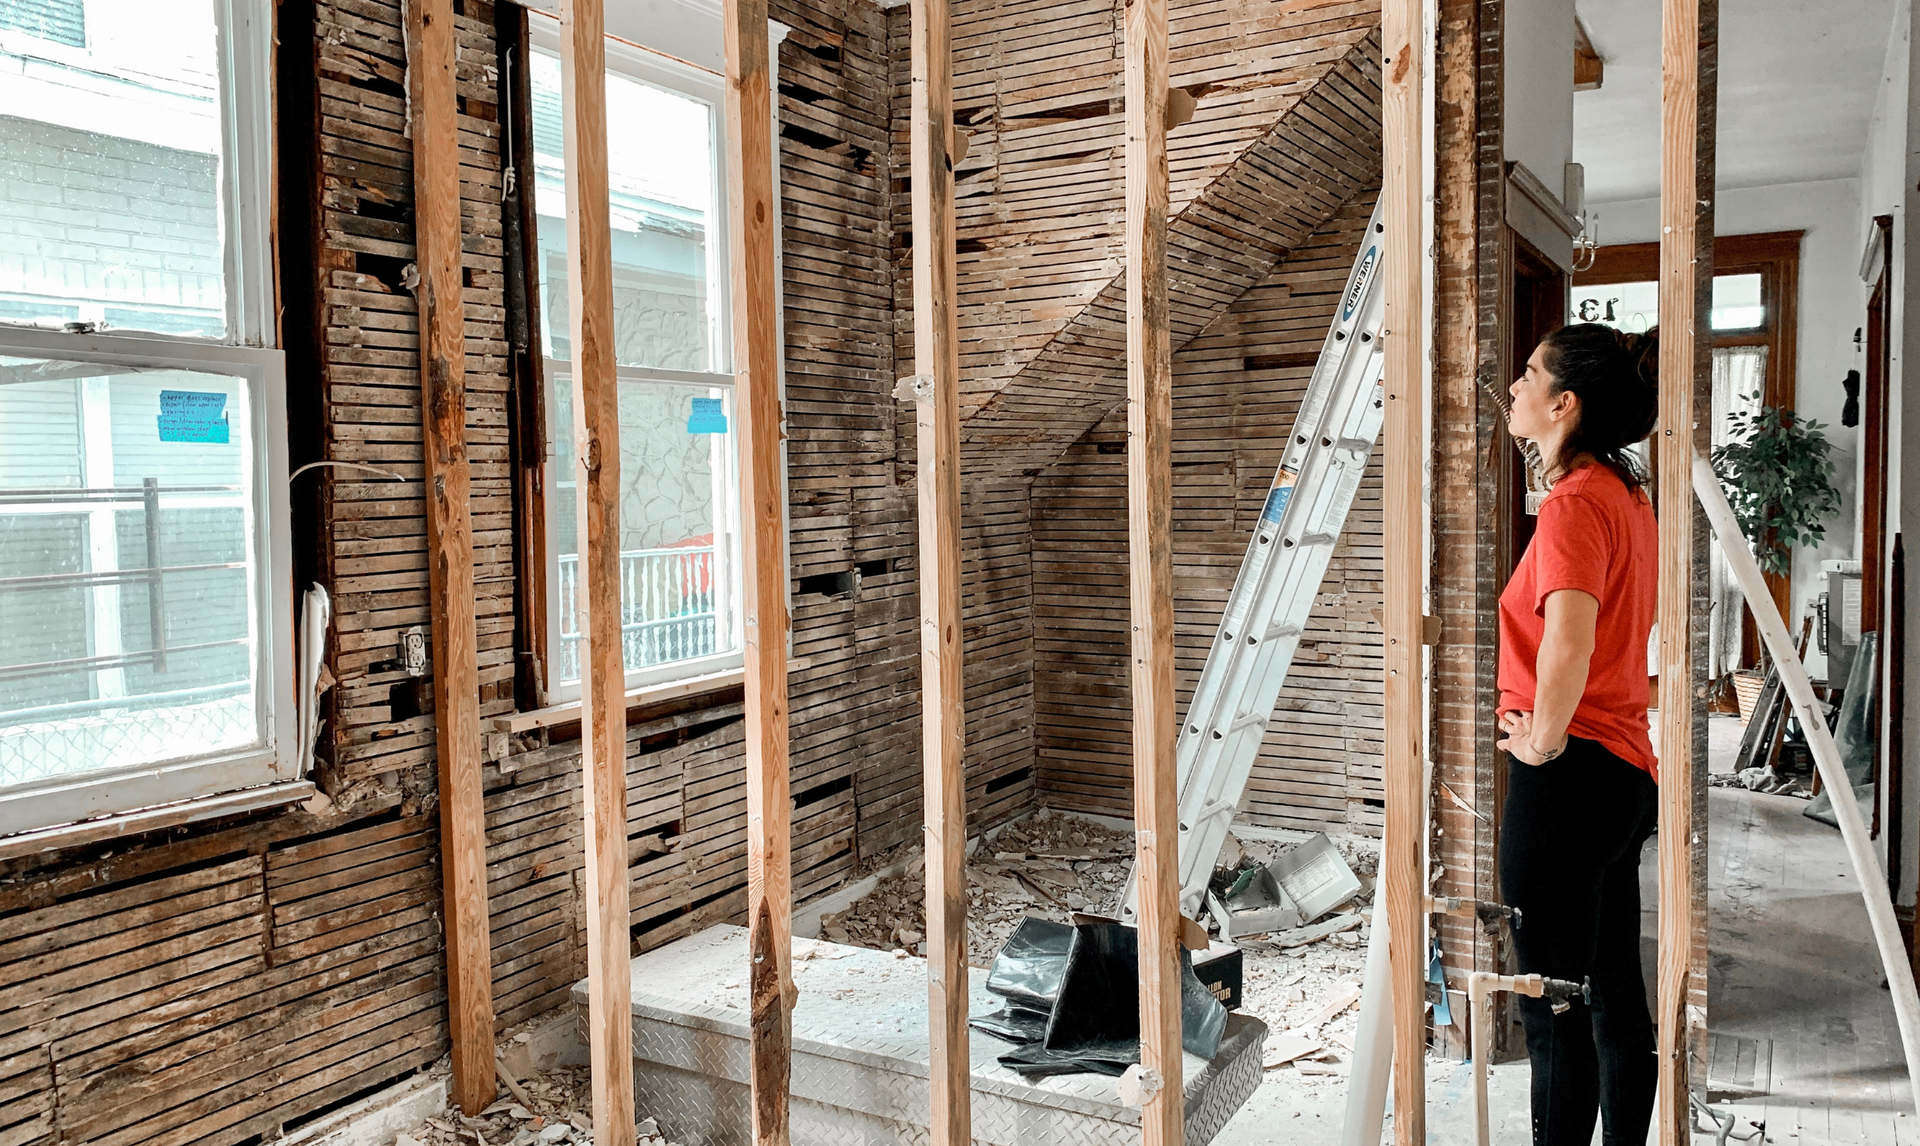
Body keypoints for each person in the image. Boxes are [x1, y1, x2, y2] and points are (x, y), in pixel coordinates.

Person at [1495, 323, 1662, 1146]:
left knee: (1551, 1008)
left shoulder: (1574, 504)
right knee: (1613, 993)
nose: (1515, 387)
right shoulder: (1626, 496)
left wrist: (1541, 741)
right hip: (1624, 776)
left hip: (1571, 779)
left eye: (1530, 376)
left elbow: (1570, 635)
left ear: (1565, 404)